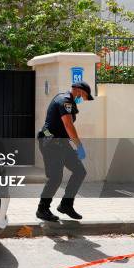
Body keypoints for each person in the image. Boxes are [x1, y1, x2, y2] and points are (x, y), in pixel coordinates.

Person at [36, 81, 93, 222]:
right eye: (84, 95)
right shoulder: (65, 100)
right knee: (55, 177)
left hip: (61, 142)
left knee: (80, 171)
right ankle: (42, 209)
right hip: (50, 143)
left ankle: (66, 205)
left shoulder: (69, 101)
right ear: (79, 90)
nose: (83, 98)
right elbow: (68, 125)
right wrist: (79, 146)